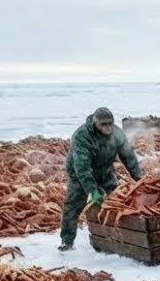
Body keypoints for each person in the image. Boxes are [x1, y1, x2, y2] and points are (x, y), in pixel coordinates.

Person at [58, 107, 142, 251]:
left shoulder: (117, 133)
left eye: (110, 123)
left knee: (117, 202)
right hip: (79, 175)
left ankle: (114, 238)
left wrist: (139, 179)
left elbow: (128, 157)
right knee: (73, 206)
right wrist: (92, 190)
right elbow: (82, 168)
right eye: (103, 124)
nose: (107, 127)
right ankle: (67, 240)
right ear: (95, 123)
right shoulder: (82, 136)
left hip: (105, 171)